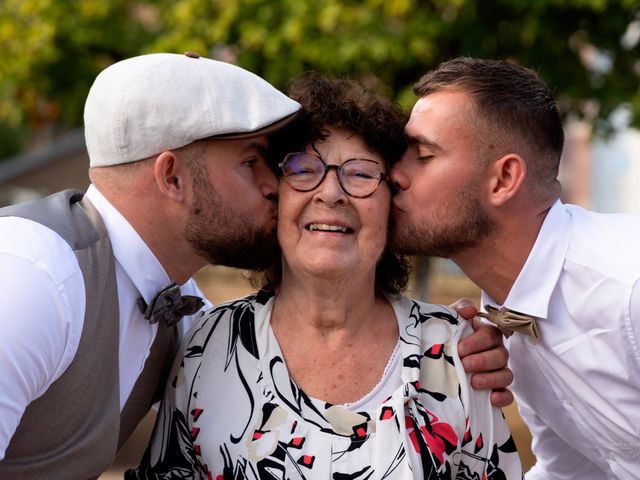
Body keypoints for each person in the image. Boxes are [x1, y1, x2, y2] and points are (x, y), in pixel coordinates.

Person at [127, 73, 522, 479]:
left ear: (391, 205)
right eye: (302, 168)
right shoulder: (207, 346)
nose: (331, 193)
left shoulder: (455, 352)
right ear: (274, 195)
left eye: (361, 174)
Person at [0, 52, 301, 478]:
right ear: (172, 177)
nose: (274, 186)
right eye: (251, 163)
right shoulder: (34, 276)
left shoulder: (179, 305)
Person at [391, 56, 640, 479]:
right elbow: (571, 471)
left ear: (504, 179)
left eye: (423, 154)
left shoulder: (626, 287)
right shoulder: (510, 326)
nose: (395, 173)